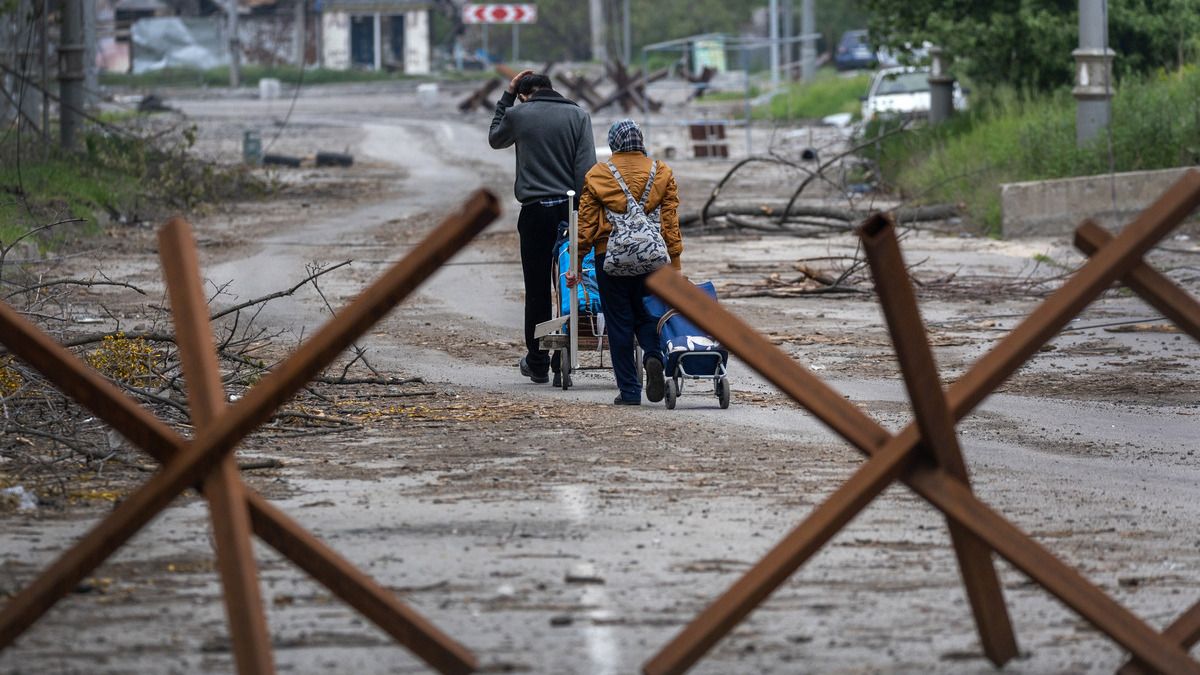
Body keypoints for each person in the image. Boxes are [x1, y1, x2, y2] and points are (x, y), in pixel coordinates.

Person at [489, 70, 597, 386]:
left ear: (525, 94)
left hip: (534, 213)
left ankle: (537, 362)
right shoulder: (579, 115)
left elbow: (496, 138)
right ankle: (565, 349)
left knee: (536, 290)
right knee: (570, 282)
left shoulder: (519, 114)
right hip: (570, 213)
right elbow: (586, 170)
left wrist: (507, 95)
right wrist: (584, 216)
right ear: (551, 88)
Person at [569, 119, 682, 405]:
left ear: (613, 145)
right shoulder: (662, 172)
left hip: (611, 257)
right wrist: (676, 264)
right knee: (646, 315)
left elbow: (585, 226)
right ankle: (654, 357)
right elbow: (670, 223)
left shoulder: (599, 175)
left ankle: (630, 391)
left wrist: (577, 261)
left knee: (619, 323)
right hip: (652, 259)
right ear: (641, 142)